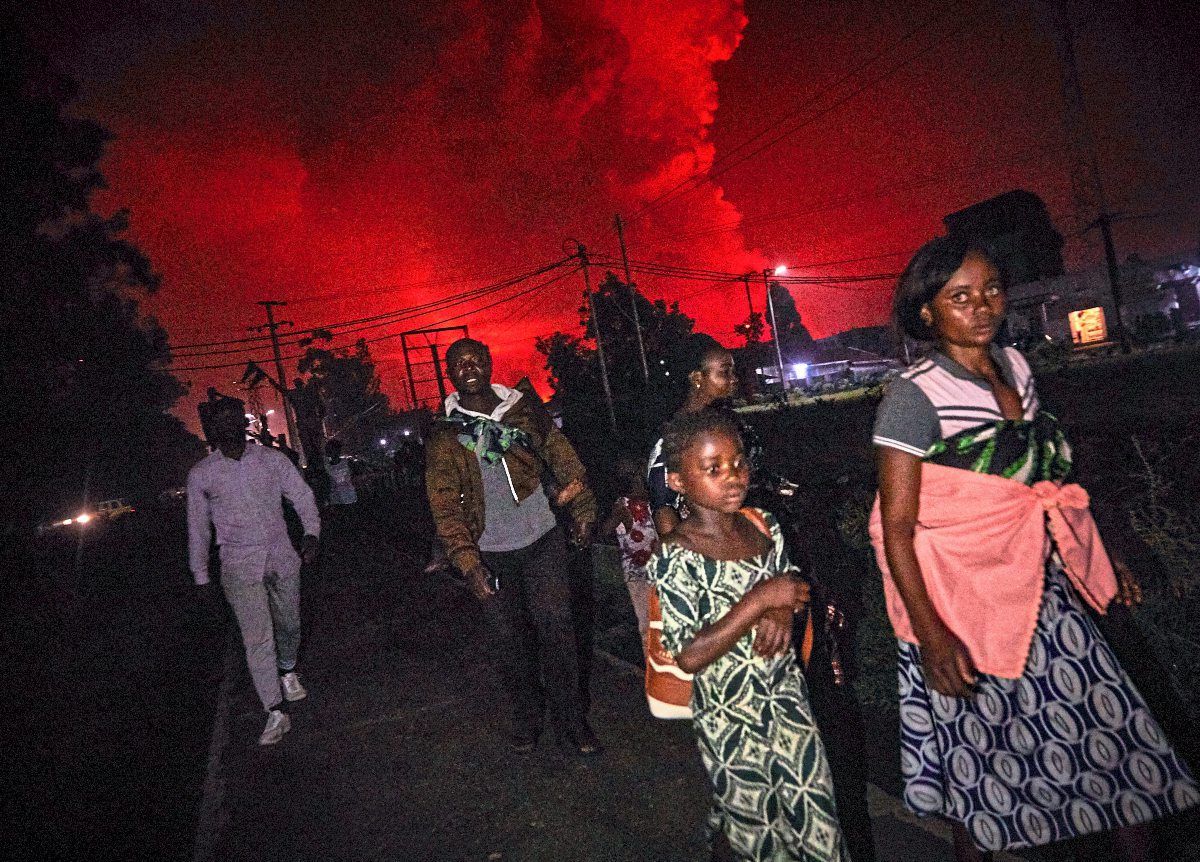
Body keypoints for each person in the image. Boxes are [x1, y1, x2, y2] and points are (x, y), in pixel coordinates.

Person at [871, 235, 1198, 860]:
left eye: (991, 290)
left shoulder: (1018, 367)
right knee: (980, 777)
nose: (983, 306)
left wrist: (1102, 558)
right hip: (960, 610)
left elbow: (1045, 485)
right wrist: (932, 634)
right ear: (927, 314)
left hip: (1042, 594)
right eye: (960, 297)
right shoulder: (912, 398)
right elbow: (897, 530)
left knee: (1119, 747)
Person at [651, 409, 848, 862]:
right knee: (759, 837)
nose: (733, 477)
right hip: (729, 720)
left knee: (820, 824)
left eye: (739, 463)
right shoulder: (675, 556)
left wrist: (782, 604)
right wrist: (761, 600)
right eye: (713, 469)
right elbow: (687, 655)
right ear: (679, 482)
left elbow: (792, 586)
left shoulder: (764, 526)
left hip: (788, 702)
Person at [425, 337, 600, 755]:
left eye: (475, 359)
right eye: (458, 363)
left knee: (558, 632)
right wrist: (468, 564)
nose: (468, 367)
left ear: (489, 363)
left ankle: (572, 723)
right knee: (510, 642)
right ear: (449, 374)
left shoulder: (521, 409)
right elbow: (444, 503)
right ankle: (526, 717)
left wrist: (584, 509)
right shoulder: (445, 435)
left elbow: (563, 457)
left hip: (542, 538)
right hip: (490, 550)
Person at [187, 396, 320, 745]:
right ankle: (274, 710)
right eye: (219, 421)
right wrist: (201, 576)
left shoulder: (272, 461)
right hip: (238, 565)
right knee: (256, 637)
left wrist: (311, 533)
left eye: (234, 418)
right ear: (211, 430)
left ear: (243, 423)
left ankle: (288, 669)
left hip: (280, 556)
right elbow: (198, 528)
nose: (228, 425)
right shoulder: (203, 475)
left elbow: (302, 496)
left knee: (290, 622)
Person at [598, 453, 658, 637]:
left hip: (657, 571)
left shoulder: (652, 503)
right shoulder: (624, 507)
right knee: (647, 625)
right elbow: (603, 532)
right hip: (637, 574)